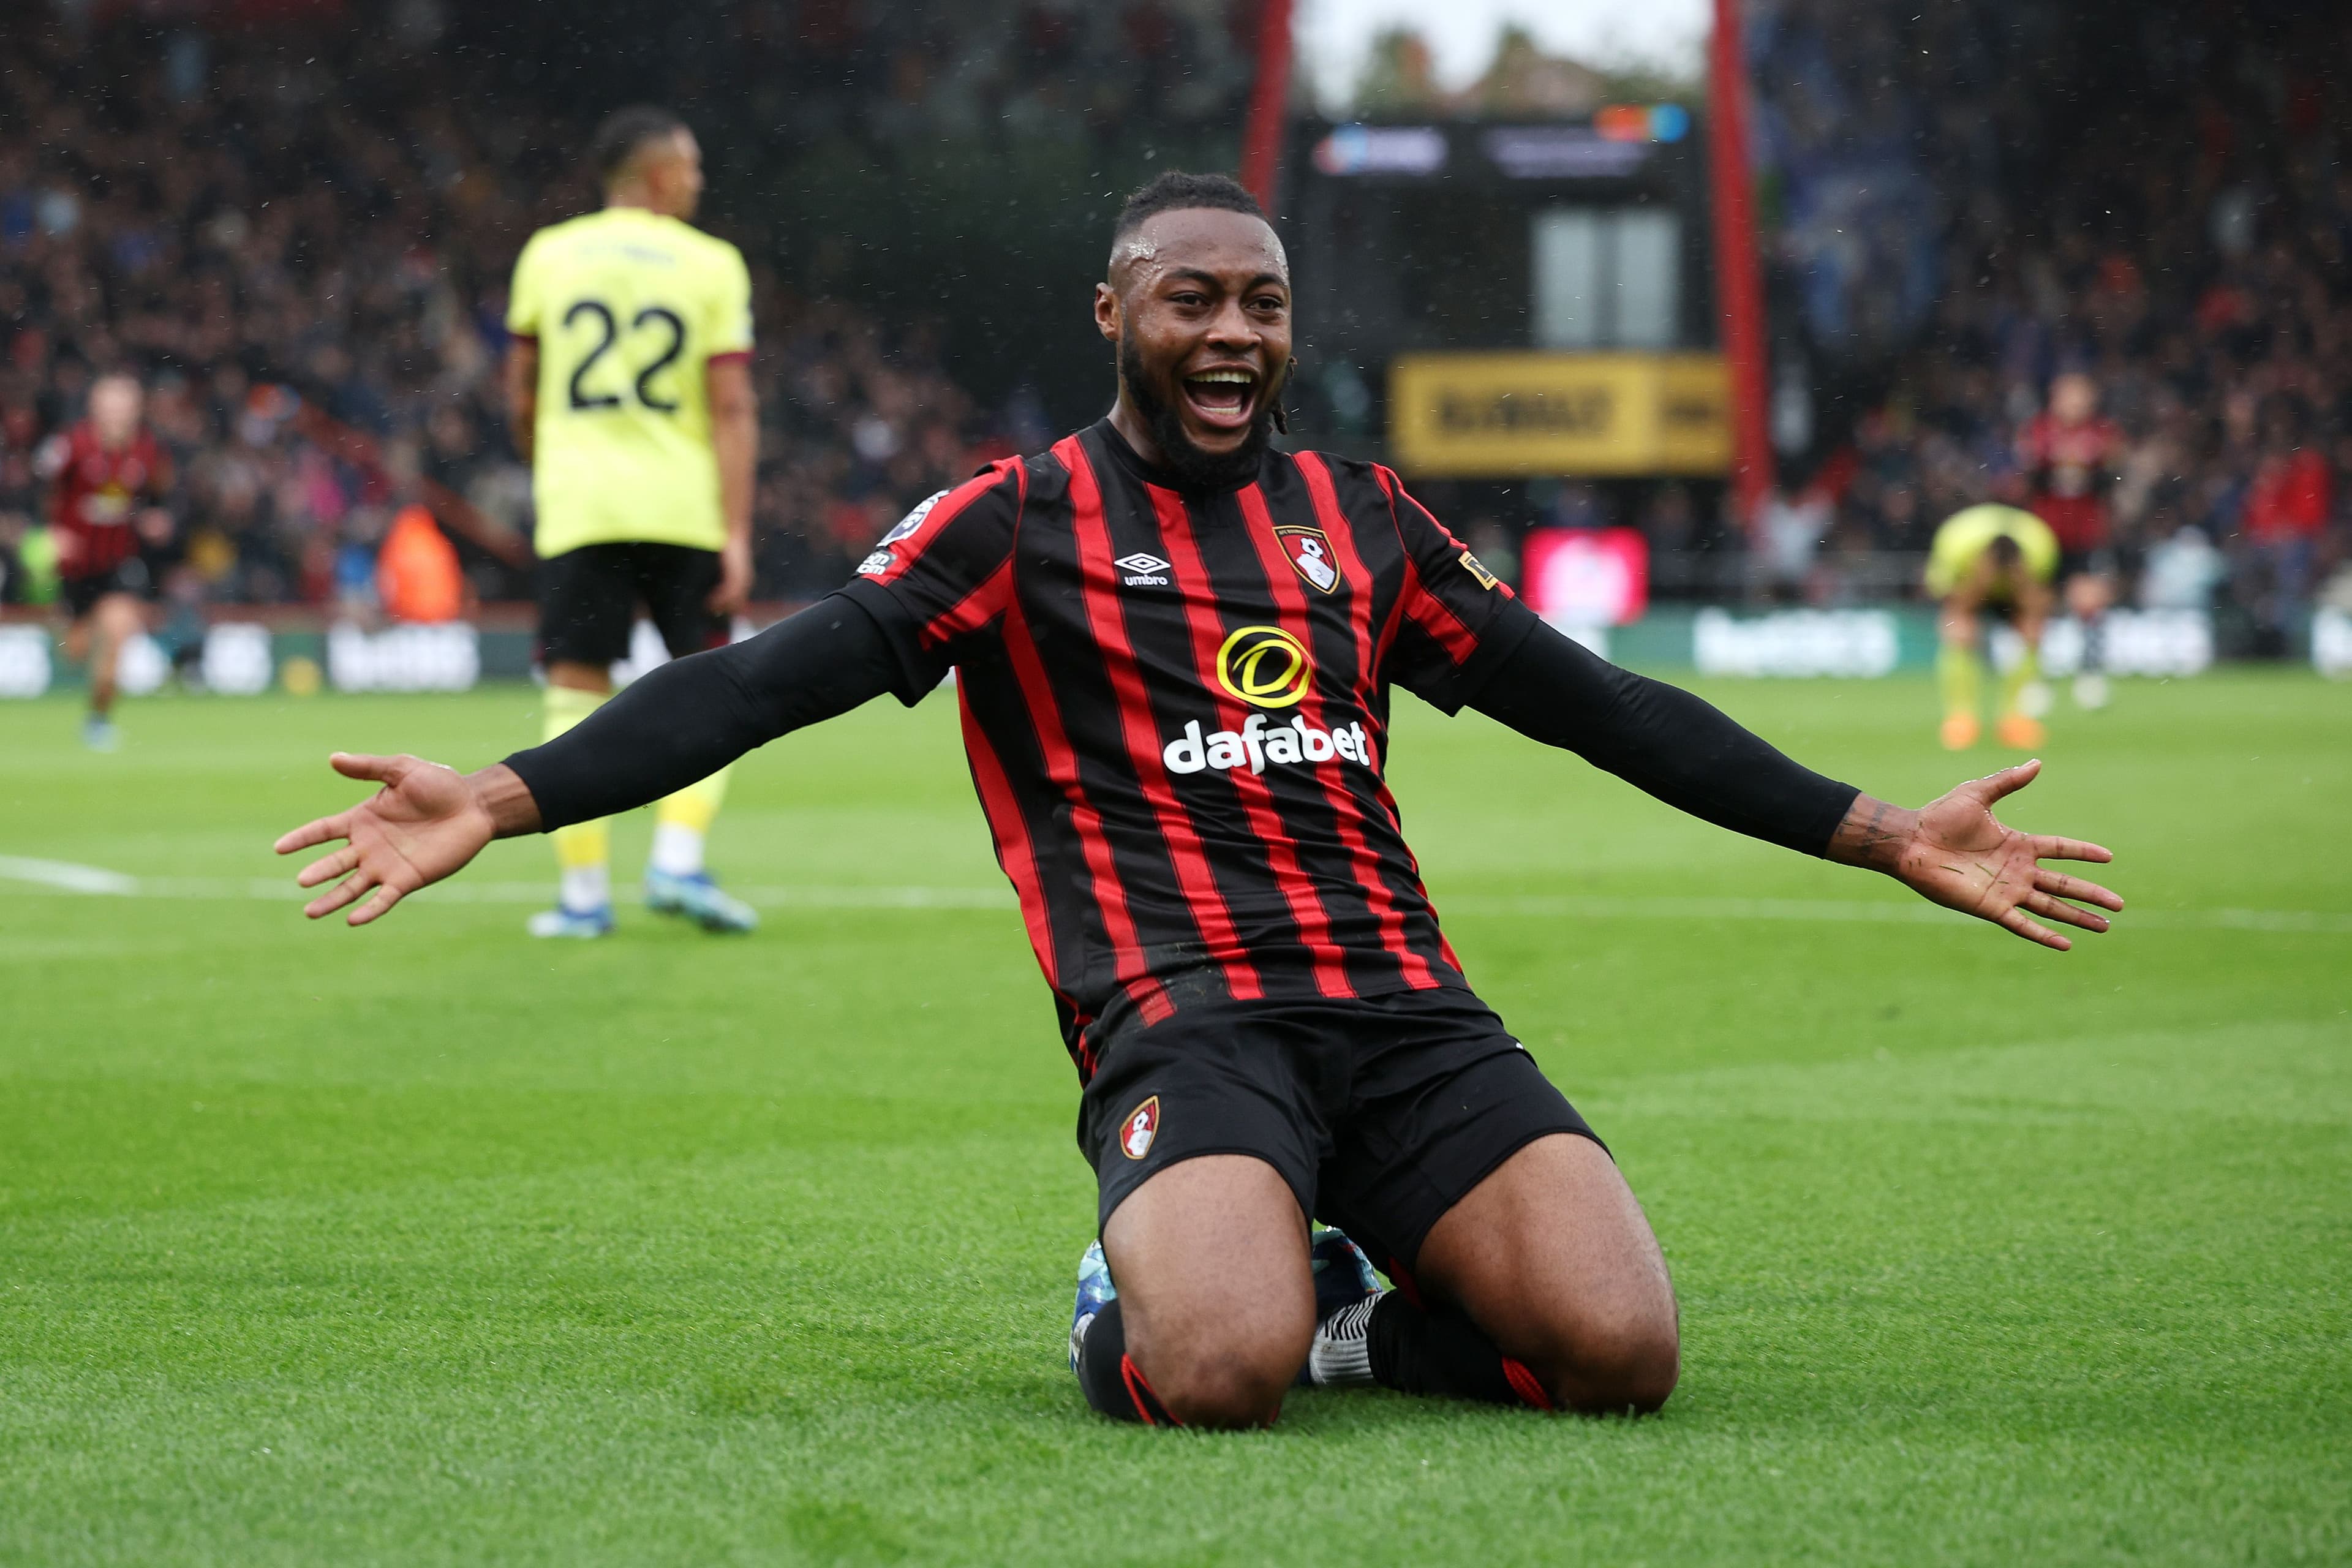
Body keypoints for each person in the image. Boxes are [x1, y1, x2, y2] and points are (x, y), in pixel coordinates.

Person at [277, 173, 2123, 1430]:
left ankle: (1341, 1307)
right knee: (1208, 1375)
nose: (1234, 334)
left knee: (1617, 1353)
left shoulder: (1362, 517)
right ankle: (1145, 1280)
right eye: (1192, 301)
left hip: (1404, 1012)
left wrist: (1876, 829)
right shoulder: (1014, 522)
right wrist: (506, 797)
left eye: (1262, 303)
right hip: (1181, 1017)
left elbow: (1589, 703)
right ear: (1113, 316)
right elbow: (775, 672)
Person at [503, 104, 761, 938]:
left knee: (574, 694)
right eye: (688, 167)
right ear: (655, 176)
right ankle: (678, 862)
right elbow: (731, 408)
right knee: (714, 688)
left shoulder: (549, 254)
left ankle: (583, 898)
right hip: (684, 505)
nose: (698, 181)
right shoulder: (713, 264)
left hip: (583, 505)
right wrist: (738, 531)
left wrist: (558, 461)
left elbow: (521, 388)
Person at [37, 371, 175, 751]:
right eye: (110, 405)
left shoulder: (147, 450)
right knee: (76, 650)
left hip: (119, 563)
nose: (117, 413)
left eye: (125, 406)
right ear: (95, 407)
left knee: (118, 632)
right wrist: (50, 532)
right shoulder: (70, 446)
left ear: (136, 410)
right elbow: (38, 489)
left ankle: (98, 721)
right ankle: (80, 638)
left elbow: (161, 495)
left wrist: (157, 518)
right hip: (74, 568)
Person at [2017, 372, 2122, 710]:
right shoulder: (2040, 432)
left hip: (2086, 531)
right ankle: (2036, 679)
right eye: (2068, 395)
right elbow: (2029, 474)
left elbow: (2112, 474)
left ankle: (2090, 676)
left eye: (2080, 396)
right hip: (2044, 534)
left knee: (2089, 603)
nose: (2074, 403)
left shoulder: (2102, 434)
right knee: (2039, 606)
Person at [1924, 502, 2060, 750]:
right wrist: (1980, 582)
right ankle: (1961, 719)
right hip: (1970, 584)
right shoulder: (1956, 543)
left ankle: (2015, 719)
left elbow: (2039, 606)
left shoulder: (2039, 546)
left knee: (2033, 631)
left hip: (2017, 589)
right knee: (1958, 630)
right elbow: (1953, 603)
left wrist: (2020, 584)